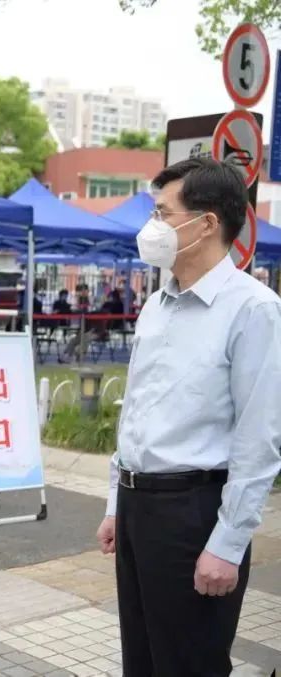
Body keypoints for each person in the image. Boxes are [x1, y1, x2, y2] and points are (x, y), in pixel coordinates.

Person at [95, 157, 281, 676]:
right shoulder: (157, 305)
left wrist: (228, 543)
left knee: (189, 664)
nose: (151, 226)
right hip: (138, 509)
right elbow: (137, 411)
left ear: (206, 224)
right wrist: (116, 502)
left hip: (193, 513)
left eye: (162, 212)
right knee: (142, 660)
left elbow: (259, 439)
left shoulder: (253, 309)